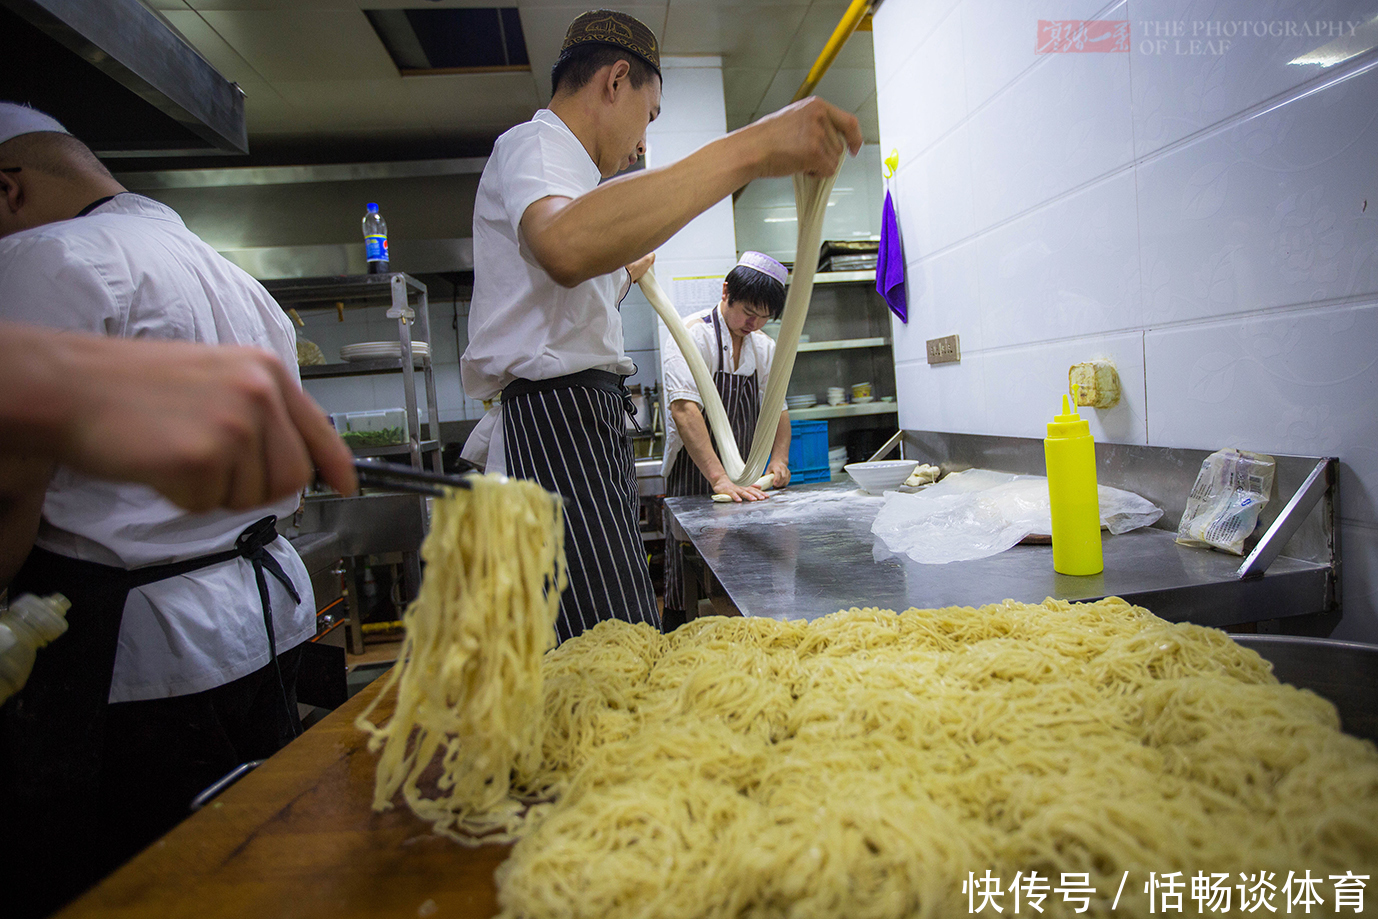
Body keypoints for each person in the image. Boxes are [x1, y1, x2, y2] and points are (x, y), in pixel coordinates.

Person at [0, 102, 343, 918]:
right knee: (255, 869)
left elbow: (12, 485)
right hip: (258, 625)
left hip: (135, 658)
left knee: (148, 889)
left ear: (7, 191)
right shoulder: (225, 270)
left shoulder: (38, 260)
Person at [461, 9, 861, 643]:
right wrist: (755, 148)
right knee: (606, 644)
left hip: (580, 417)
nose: (642, 143)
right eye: (649, 116)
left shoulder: (575, 176)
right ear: (616, 81)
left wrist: (620, 276)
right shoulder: (535, 145)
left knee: (611, 638)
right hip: (556, 419)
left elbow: (557, 303)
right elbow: (564, 248)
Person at [659, 252, 794, 627]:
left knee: (747, 565)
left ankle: (751, 634)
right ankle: (680, 629)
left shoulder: (763, 348)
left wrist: (778, 460)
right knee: (688, 568)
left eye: (763, 316)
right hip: (695, 474)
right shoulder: (691, 335)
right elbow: (685, 410)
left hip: (747, 479)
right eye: (748, 311)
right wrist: (718, 478)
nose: (753, 322)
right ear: (725, 293)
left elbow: (777, 408)